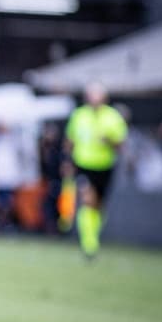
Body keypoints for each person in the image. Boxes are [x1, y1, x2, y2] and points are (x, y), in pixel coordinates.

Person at [63, 82, 128, 259]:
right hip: (83, 165)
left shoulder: (113, 117)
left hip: (105, 166)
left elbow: (121, 144)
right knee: (88, 200)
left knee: (98, 206)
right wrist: (67, 161)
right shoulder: (79, 115)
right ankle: (89, 244)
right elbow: (70, 140)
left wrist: (108, 141)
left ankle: (92, 237)